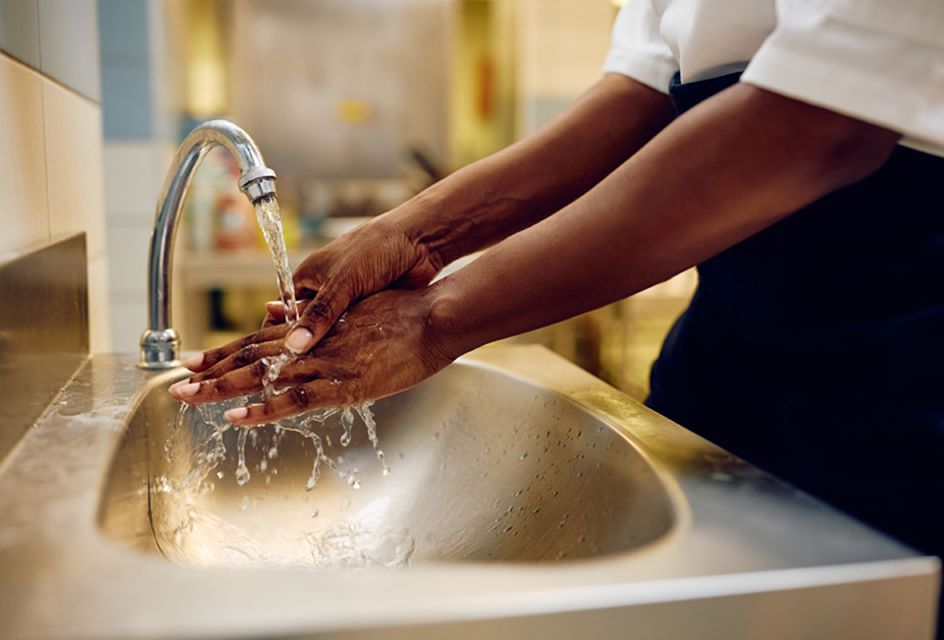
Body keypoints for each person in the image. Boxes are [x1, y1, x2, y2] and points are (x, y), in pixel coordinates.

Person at [171, 0, 943, 633]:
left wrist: (438, 318)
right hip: (727, 366)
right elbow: (641, 99)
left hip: (908, 365)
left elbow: (818, 125)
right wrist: (406, 233)